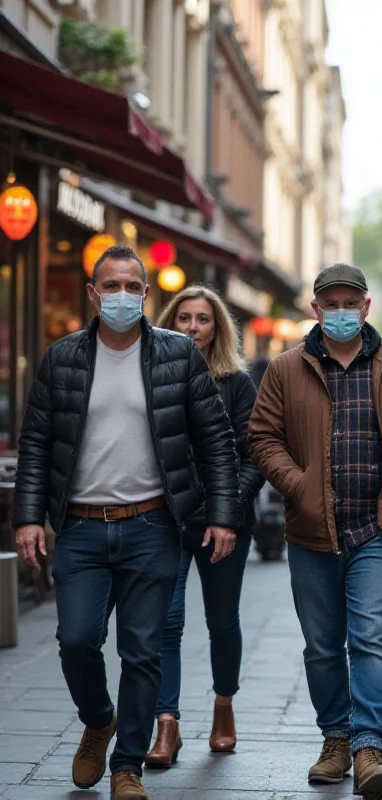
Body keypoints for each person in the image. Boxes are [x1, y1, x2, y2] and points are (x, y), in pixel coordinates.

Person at [12, 245, 240, 800]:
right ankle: (98, 718)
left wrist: (223, 515)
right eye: (109, 286)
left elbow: (216, 440)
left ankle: (127, 765)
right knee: (76, 640)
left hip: (152, 526)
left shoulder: (178, 355)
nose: (120, 296)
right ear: (92, 294)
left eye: (131, 287)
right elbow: (37, 441)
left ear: (145, 294)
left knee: (143, 650)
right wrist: (28, 518)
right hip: (83, 528)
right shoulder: (61, 357)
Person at [248, 263, 382, 798]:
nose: (341, 312)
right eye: (330, 303)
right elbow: (262, 437)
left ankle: (368, 748)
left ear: (367, 307)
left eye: (349, 302)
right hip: (312, 528)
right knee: (323, 646)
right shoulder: (287, 368)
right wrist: (296, 484)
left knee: (372, 639)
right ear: (315, 309)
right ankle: (335, 737)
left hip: (379, 526)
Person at [144, 286, 265, 767]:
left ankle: (223, 708)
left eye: (203, 319)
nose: (192, 327)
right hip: (164, 520)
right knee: (165, 623)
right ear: (169, 323)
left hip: (223, 524)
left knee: (222, 621)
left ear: (218, 329)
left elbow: (254, 456)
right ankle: (166, 725)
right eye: (184, 318)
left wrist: (226, 512)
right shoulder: (149, 376)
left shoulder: (237, 382)